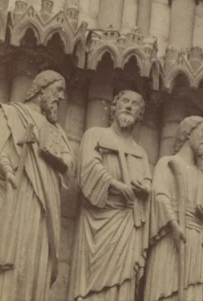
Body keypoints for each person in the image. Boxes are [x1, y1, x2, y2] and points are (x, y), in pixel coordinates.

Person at [0, 70, 73, 301]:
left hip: (45, 205)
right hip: (18, 195)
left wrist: (57, 159)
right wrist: (8, 171)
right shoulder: (11, 112)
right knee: (13, 259)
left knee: (35, 263)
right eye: (58, 90)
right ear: (42, 88)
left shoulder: (56, 130)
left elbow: (69, 161)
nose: (61, 98)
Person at [69, 91, 152, 301]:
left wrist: (144, 189)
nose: (129, 107)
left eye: (135, 105)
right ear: (113, 107)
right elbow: (88, 167)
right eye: (125, 101)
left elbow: (148, 183)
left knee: (122, 283)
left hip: (126, 222)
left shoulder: (140, 152)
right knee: (91, 282)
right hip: (98, 217)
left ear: (140, 114)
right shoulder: (95, 134)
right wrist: (116, 185)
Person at [146, 116, 203, 301]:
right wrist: (173, 224)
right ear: (188, 133)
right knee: (165, 291)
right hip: (170, 237)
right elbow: (159, 196)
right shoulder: (167, 163)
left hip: (194, 243)